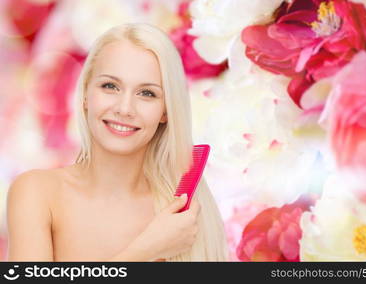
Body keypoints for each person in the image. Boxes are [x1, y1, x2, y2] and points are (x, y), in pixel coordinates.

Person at [6, 23, 229, 261]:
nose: (124, 109)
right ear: (85, 96)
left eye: (147, 93)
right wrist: (147, 251)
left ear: (166, 111)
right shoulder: (37, 193)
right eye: (110, 86)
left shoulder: (183, 213)